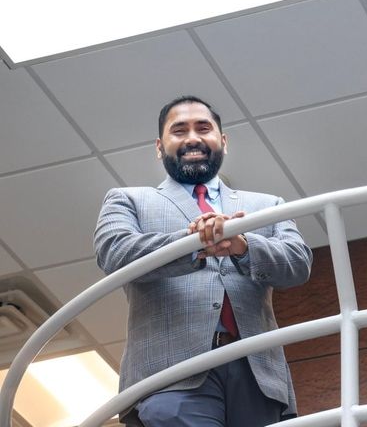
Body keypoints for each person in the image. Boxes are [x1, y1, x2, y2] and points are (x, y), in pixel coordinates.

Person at [94, 95, 313, 426]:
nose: (193, 138)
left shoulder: (268, 205)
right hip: (170, 376)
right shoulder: (128, 200)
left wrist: (242, 245)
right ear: (159, 146)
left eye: (203, 128)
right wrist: (194, 242)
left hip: (257, 375)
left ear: (222, 141)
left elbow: (298, 263)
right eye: (179, 130)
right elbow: (114, 251)